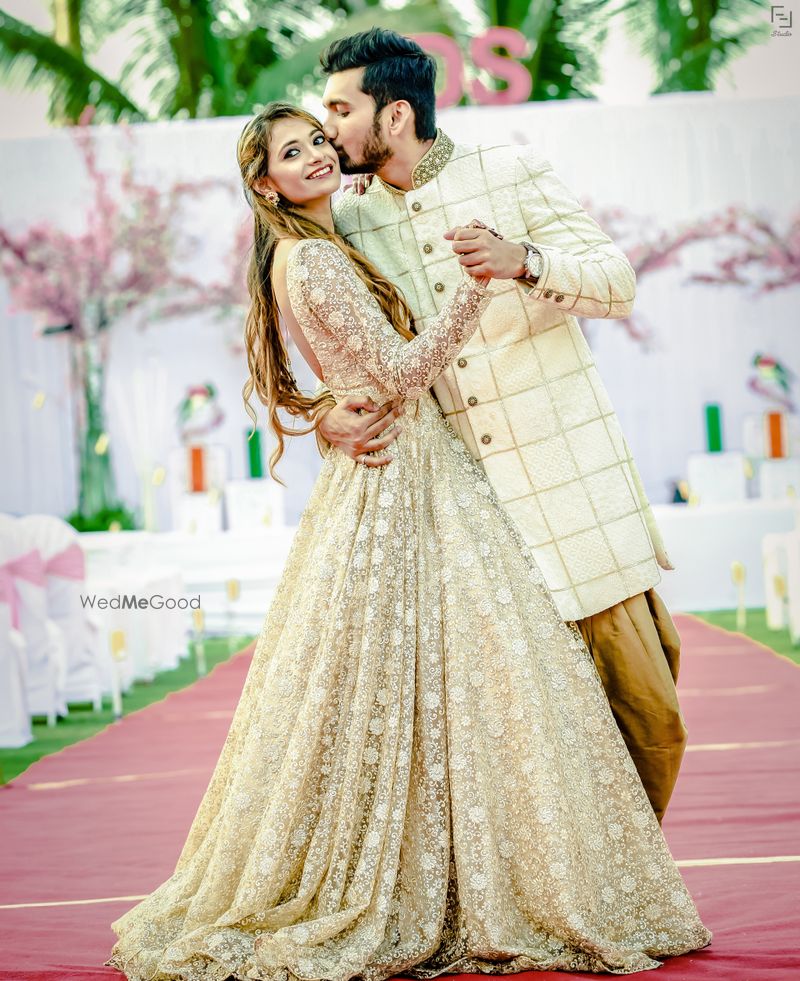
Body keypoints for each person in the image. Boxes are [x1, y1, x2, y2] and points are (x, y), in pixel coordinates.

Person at [104, 102, 710, 980]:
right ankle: (455, 882)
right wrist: (476, 284)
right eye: (296, 148)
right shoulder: (309, 256)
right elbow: (397, 374)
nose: (320, 150)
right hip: (410, 473)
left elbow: (341, 368)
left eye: (323, 133)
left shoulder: (328, 232)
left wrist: (326, 407)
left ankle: (465, 873)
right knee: (465, 682)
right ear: (263, 182)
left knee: (435, 688)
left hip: (430, 472)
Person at [316, 28, 686, 825]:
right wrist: (325, 417)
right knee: (516, 741)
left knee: (650, 716)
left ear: (396, 115)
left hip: (573, 497)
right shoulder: (346, 226)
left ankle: (632, 882)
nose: (328, 127)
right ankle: (569, 899)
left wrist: (525, 259)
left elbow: (619, 284)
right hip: (465, 522)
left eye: (342, 108)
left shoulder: (508, 170)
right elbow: (332, 351)